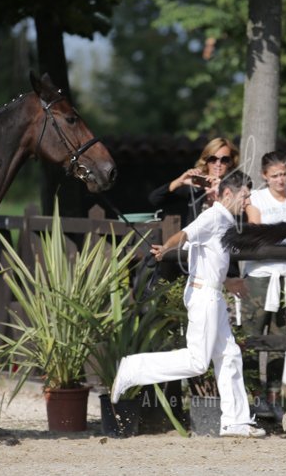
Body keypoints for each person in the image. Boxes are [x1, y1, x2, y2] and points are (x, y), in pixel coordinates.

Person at [111, 171, 266, 438]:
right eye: (245, 195)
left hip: (213, 294)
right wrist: (165, 249)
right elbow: (185, 234)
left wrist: (228, 281)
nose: (248, 201)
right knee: (197, 362)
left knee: (230, 355)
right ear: (228, 194)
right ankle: (132, 368)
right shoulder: (213, 216)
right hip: (204, 296)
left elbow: (208, 259)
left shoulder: (225, 220)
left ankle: (235, 421)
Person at [241, 152, 286, 418]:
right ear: (265, 176)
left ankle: (272, 398)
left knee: (280, 338)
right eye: (274, 176)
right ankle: (252, 397)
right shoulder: (257, 198)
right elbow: (257, 234)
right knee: (251, 336)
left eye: (283, 174)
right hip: (260, 275)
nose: (280, 180)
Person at [148, 137, 239, 228]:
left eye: (224, 160)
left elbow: (239, 217)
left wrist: (221, 189)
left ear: (231, 162)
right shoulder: (195, 186)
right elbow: (155, 199)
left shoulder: (237, 184)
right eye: (212, 159)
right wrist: (179, 181)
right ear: (206, 161)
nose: (218, 164)